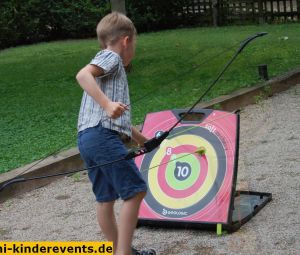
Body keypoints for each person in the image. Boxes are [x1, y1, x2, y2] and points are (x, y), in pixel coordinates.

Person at [76, 12, 155, 255]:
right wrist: (108, 105)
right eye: (135, 44)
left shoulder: (109, 70)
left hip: (88, 139)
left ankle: (123, 251)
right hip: (102, 136)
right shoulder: (112, 57)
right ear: (126, 40)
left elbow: (118, 120)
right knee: (136, 190)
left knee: (105, 198)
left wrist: (144, 141)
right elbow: (82, 75)